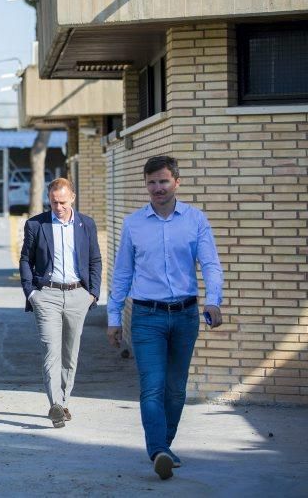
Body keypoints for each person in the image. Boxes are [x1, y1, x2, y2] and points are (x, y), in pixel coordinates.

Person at [107, 155, 224, 480]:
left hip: (186, 315)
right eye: (152, 182)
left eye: (163, 181)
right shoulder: (133, 224)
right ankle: (157, 449)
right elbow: (122, 274)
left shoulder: (195, 220)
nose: (157, 188)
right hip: (147, 317)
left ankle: (164, 447)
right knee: (152, 387)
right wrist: (114, 317)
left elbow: (211, 264)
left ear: (176, 182)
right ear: (146, 184)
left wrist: (214, 301)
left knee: (176, 389)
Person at [19, 177, 102, 428]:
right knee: (51, 351)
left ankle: (64, 400)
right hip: (48, 295)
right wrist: (32, 293)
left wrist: (92, 294)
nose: (58, 207)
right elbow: (25, 260)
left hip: (78, 294)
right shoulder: (36, 225)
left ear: (73, 198)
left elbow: (95, 260)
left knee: (70, 354)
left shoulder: (86, 224)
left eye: (63, 202)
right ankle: (55, 403)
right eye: (54, 202)